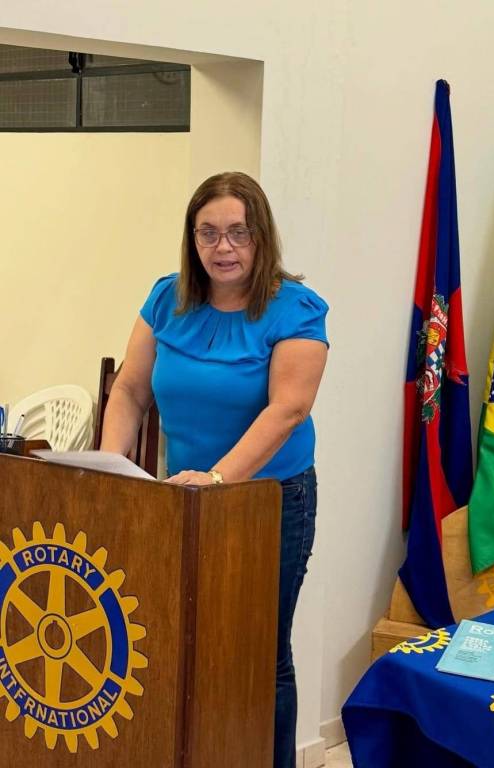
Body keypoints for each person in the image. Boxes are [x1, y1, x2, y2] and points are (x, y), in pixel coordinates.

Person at [101, 171, 329, 768]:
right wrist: (108, 467)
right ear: (192, 238)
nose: (222, 247)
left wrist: (219, 479)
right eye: (208, 233)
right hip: (182, 498)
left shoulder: (295, 309)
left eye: (237, 232)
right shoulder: (166, 299)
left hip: (269, 500)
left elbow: (288, 409)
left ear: (261, 236)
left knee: (260, 652)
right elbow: (129, 390)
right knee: (186, 644)